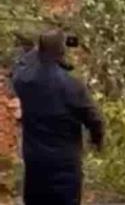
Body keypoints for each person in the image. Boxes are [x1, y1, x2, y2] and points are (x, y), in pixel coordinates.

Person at [11, 29, 104, 205]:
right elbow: (94, 120)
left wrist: (39, 48)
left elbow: (21, 64)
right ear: (62, 52)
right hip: (64, 167)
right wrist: (96, 140)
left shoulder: (24, 82)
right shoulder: (72, 87)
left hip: (35, 164)